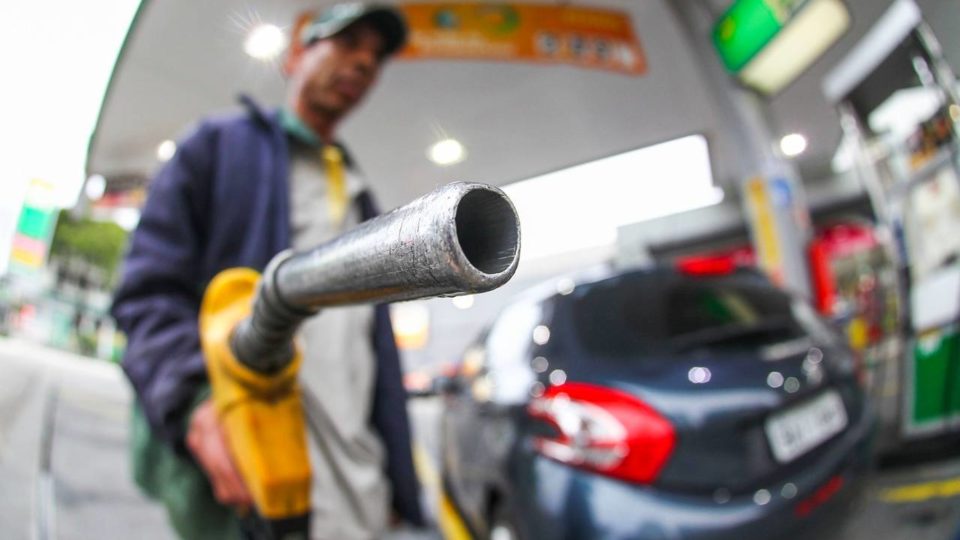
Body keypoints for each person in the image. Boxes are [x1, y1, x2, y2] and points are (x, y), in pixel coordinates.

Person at [110, 4, 425, 539]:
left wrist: (397, 481)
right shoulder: (219, 148)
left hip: (357, 493)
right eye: (348, 43)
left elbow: (373, 356)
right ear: (297, 54)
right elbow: (147, 293)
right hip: (247, 478)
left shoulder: (362, 200)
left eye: (375, 60)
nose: (362, 65)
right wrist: (195, 402)